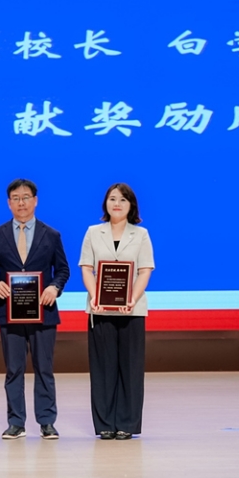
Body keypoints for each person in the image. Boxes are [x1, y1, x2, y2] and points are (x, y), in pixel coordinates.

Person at [0, 178, 70, 440]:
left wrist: (54, 287)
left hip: (43, 311)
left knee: (44, 368)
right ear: (9, 203)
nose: (21, 203)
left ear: (35, 200)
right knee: (14, 369)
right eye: (16, 198)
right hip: (9, 313)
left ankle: (47, 421)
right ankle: (15, 422)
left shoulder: (51, 234)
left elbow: (63, 269)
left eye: (26, 197)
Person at [79, 183, 154, 440]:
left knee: (131, 368)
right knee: (103, 368)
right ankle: (104, 424)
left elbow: (145, 270)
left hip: (132, 310)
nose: (117, 204)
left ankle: (127, 423)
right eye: (112, 199)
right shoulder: (93, 232)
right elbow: (86, 268)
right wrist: (95, 296)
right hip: (100, 309)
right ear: (105, 204)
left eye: (123, 199)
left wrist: (131, 299)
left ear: (131, 205)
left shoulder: (141, 234)